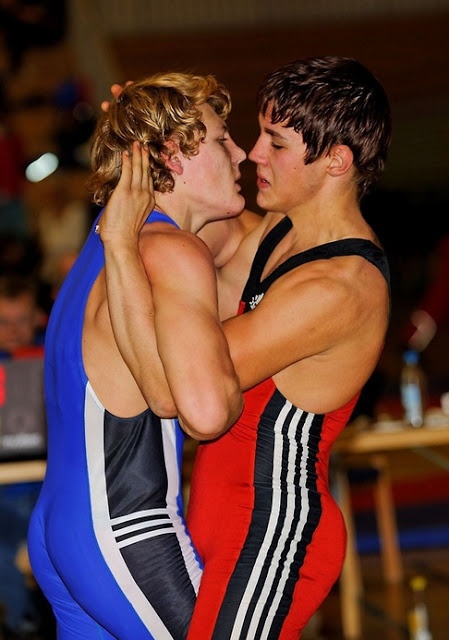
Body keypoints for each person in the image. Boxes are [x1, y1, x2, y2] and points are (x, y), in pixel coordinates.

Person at [101, 56, 392, 639]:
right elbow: (191, 210)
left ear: (336, 160)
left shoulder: (339, 288)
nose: (253, 154)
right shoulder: (279, 232)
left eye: (276, 143)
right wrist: (147, 129)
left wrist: (119, 249)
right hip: (227, 520)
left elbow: (179, 392)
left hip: (274, 530)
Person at [27, 72, 246, 640]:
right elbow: (203, 412)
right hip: (125, 530)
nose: (241, 153)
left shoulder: (107, 238)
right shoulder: (169, 250)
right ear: (172, 154)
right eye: (224, 140)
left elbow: (251, 239)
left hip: (63, 526)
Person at [0, 273, 46, 639]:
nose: (14, 330)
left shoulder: (55, 356)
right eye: (3, 321)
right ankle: (23, 627)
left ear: (38, 318)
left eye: (22, 320)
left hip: (48, 490)